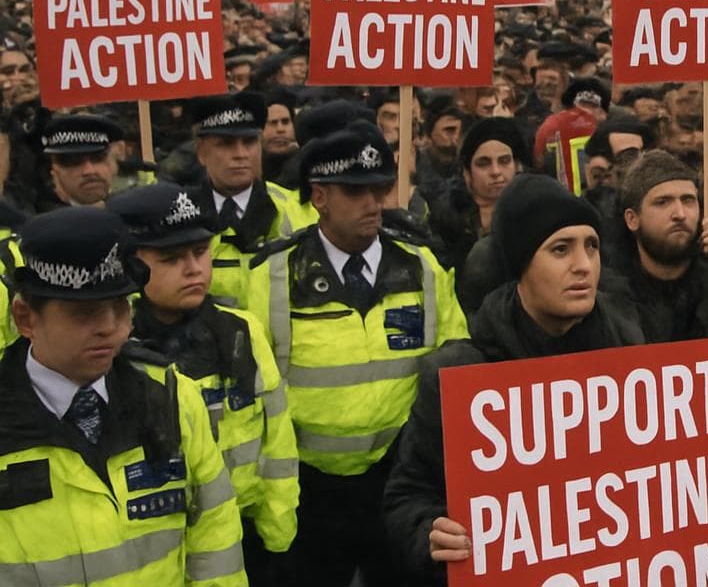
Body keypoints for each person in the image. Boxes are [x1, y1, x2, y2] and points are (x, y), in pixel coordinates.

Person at [381, 173, 708, 582]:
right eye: (560, 249)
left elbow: (665, 480)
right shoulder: (460, 375)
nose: (583, 266)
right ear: (520, 263)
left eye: (592, 246)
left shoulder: (632, 349)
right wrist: (429, 531)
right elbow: (407, 496)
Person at [244, 129, 468, 587]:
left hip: (397, 480)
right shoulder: (274, 274)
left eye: (379, 189)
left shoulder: (421, 265)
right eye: (354, 191)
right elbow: (255, 393)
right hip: (309, 489)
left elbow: (454, 368)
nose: (372, 202)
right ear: (320, 196)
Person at [0, 207, 247, 584]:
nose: (109, 328)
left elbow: (213, 526)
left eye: (120, 307)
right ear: (26, 318)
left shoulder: (169, 396)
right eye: (84, 313)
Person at [112, 183, 298, 584]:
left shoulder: (241, 330)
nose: (194, 268)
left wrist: (278, 533)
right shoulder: (115, 350)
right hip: (163, 540)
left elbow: (276, 432)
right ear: (131, 265)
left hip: (247, 529)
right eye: (171, 258)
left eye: (200, 252)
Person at [610, 150, 708, 344]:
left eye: (688, 200)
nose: (680, 214)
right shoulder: (611, 301)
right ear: (632, 219)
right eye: (662, 202)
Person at [189, 93, 312, 311]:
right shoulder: (182, 217)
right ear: (202, 152)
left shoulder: (297, 209)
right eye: (226, 144)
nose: (241, 154)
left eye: (249, 142)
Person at [425, 117, 528, 272]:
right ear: (467, 172)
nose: (496, 172)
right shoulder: (446, 218)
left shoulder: (532, 210)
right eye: (484, 163)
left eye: (504, 161)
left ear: (517, 166)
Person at [40, 113, 124, 208]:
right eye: (73, 161)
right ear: (55, 171)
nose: (89, 171)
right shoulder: (36, 219)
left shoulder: (138, 211)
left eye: (98, 158)